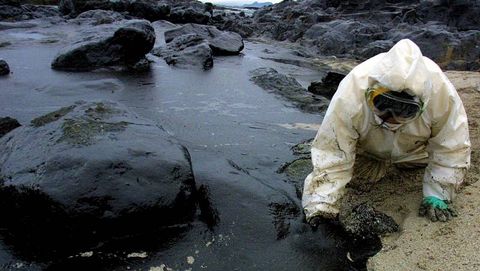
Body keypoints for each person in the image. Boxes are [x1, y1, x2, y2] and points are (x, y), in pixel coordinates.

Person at [302, 39, 471, 225]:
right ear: (369, 93)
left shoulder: (441, 93)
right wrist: (321, 207)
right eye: (382, 105)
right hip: (367, 151)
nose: (389, 117)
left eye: (403, 110)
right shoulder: (351, 92)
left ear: (422, 106)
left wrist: (439, 193)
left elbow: (452, 146)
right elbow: (333, 152)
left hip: (415, 153)